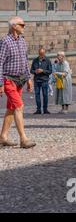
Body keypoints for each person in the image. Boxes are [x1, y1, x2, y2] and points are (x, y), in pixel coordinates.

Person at [0, 17, 36, 149]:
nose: (24, 26)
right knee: (19, 106)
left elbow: (25, 62)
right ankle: (23, 139)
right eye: (22, 25)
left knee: (11, 108)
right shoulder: (5, 42)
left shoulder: (22, 41)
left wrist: (29, 78)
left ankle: (3, 137)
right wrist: (0, 84)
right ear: (14, 26)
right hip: (8, 79)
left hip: (20, 80)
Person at [30, 47, 53, 114]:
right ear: (39, 53)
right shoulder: (35, 60)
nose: (41, 55)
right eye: (40, 54)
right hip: (37, 80)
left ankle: (45, 109)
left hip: (44, 80)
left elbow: (50, 71)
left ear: (44, 53)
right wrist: (35, 71)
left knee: (45, 95)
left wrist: (43, 71)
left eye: (42, 54)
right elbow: (31, 70)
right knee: (37, 95)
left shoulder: (47, 60)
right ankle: (38, 109)